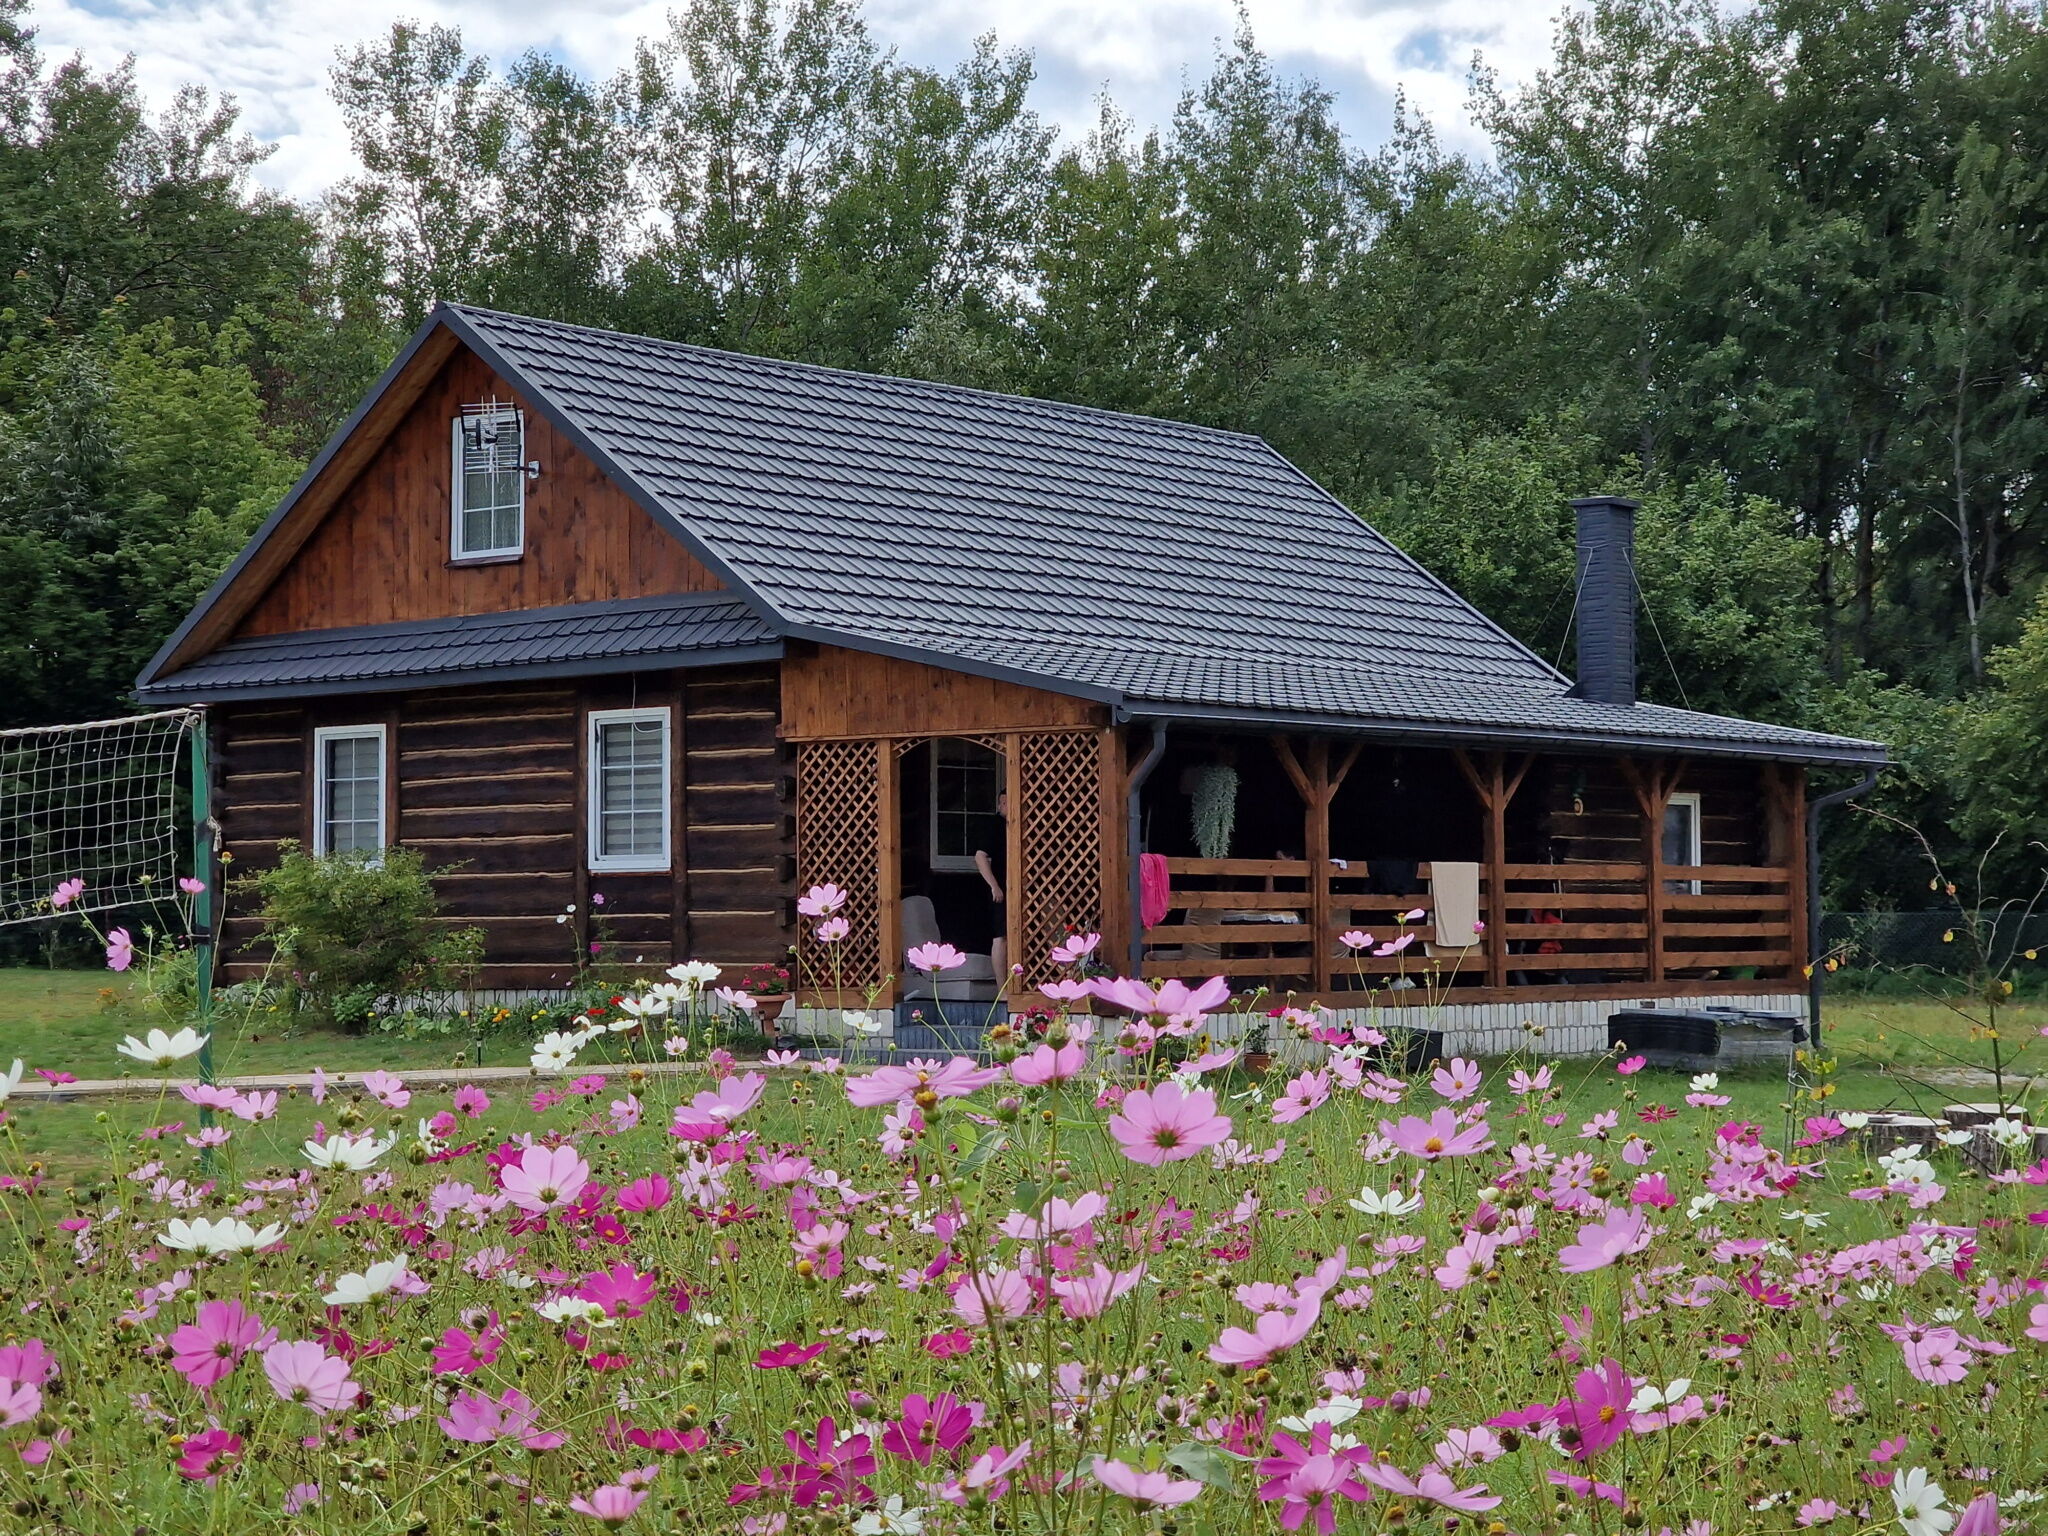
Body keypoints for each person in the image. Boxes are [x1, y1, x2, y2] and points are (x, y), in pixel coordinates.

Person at [972, 792, 1009, 980]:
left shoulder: (1017, 825)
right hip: (1000, 889)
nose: (1004, 805)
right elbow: (980, 856)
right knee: (1001, 937)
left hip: (1018, 889)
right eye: (1002, 802)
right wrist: (994, 886)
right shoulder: (994, 825)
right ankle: (1002, 989)